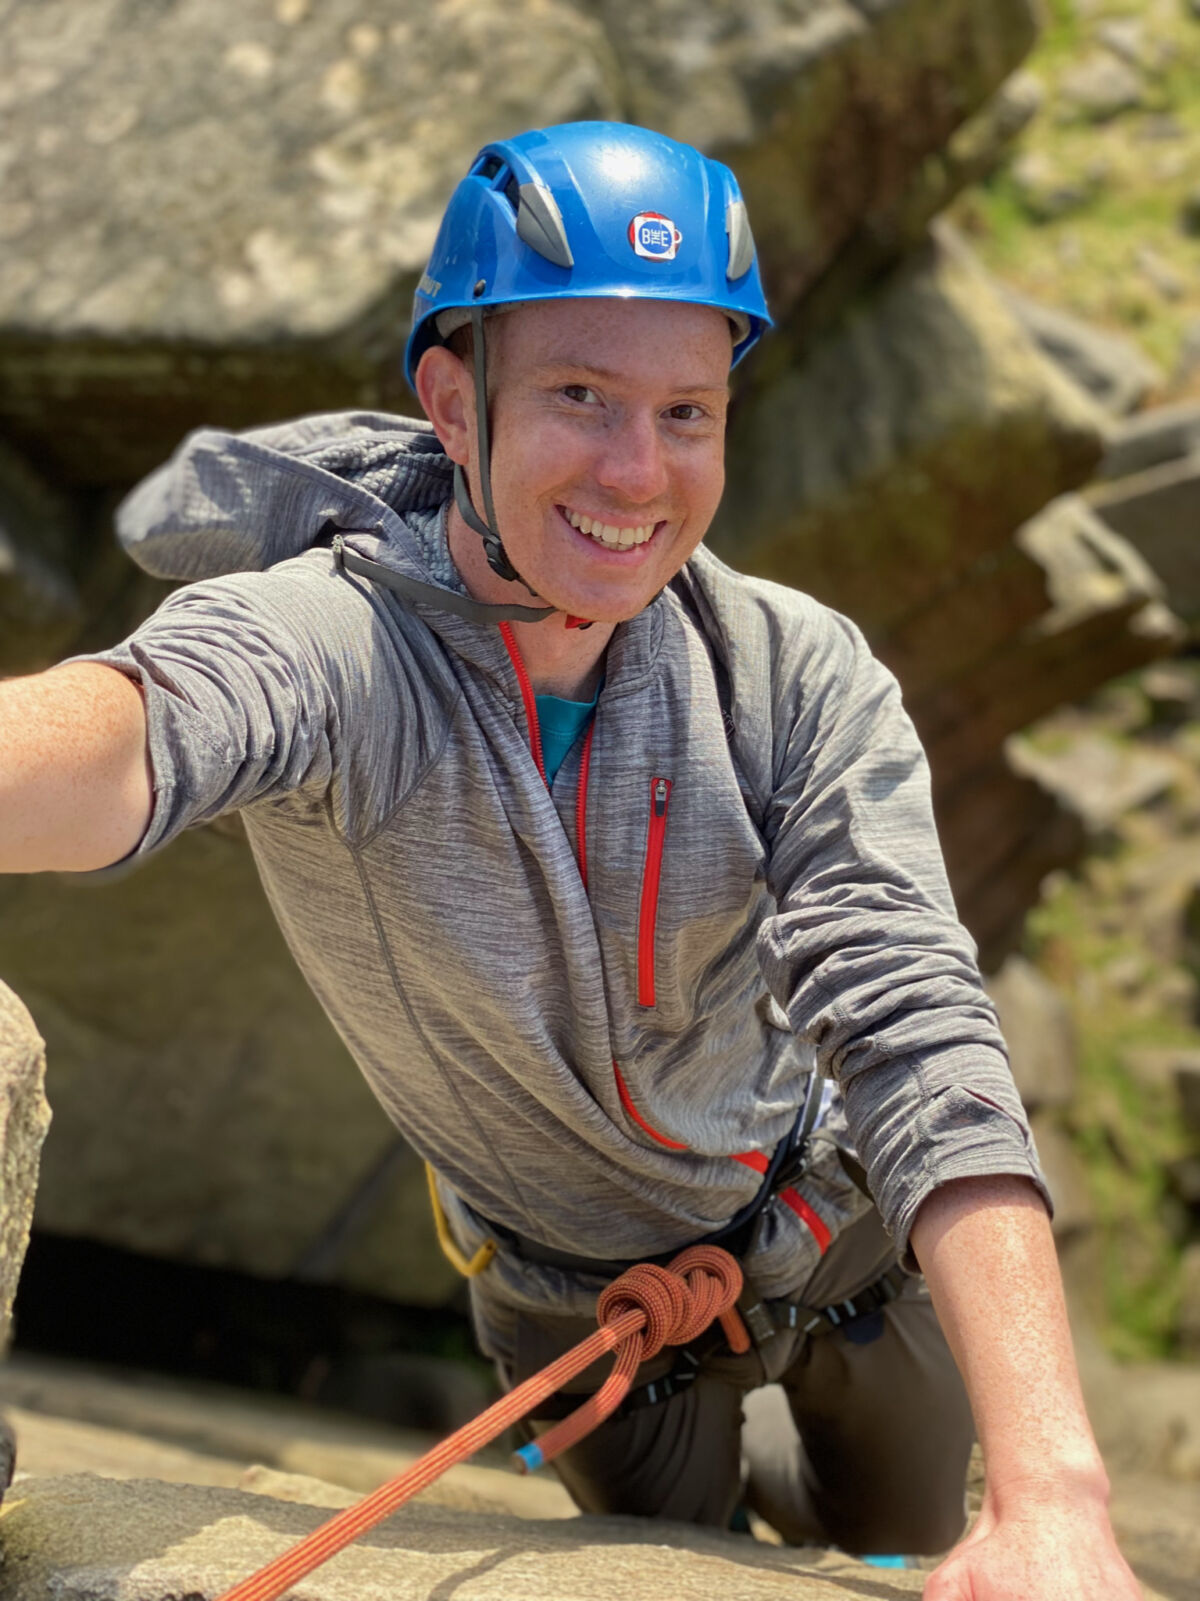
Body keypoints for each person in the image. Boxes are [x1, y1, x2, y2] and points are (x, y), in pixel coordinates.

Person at [0, 122, 1139, 1597]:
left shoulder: (790, 678)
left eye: (688, 412)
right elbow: (136, 737)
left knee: (905, 1535)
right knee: (676, 1560)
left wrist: (1055, 1490)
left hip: (834, 1228)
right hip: (579, 1298)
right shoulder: (340, 646)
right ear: (451, 402)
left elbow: (916, 1021)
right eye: (582, 396)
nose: (635, 469)